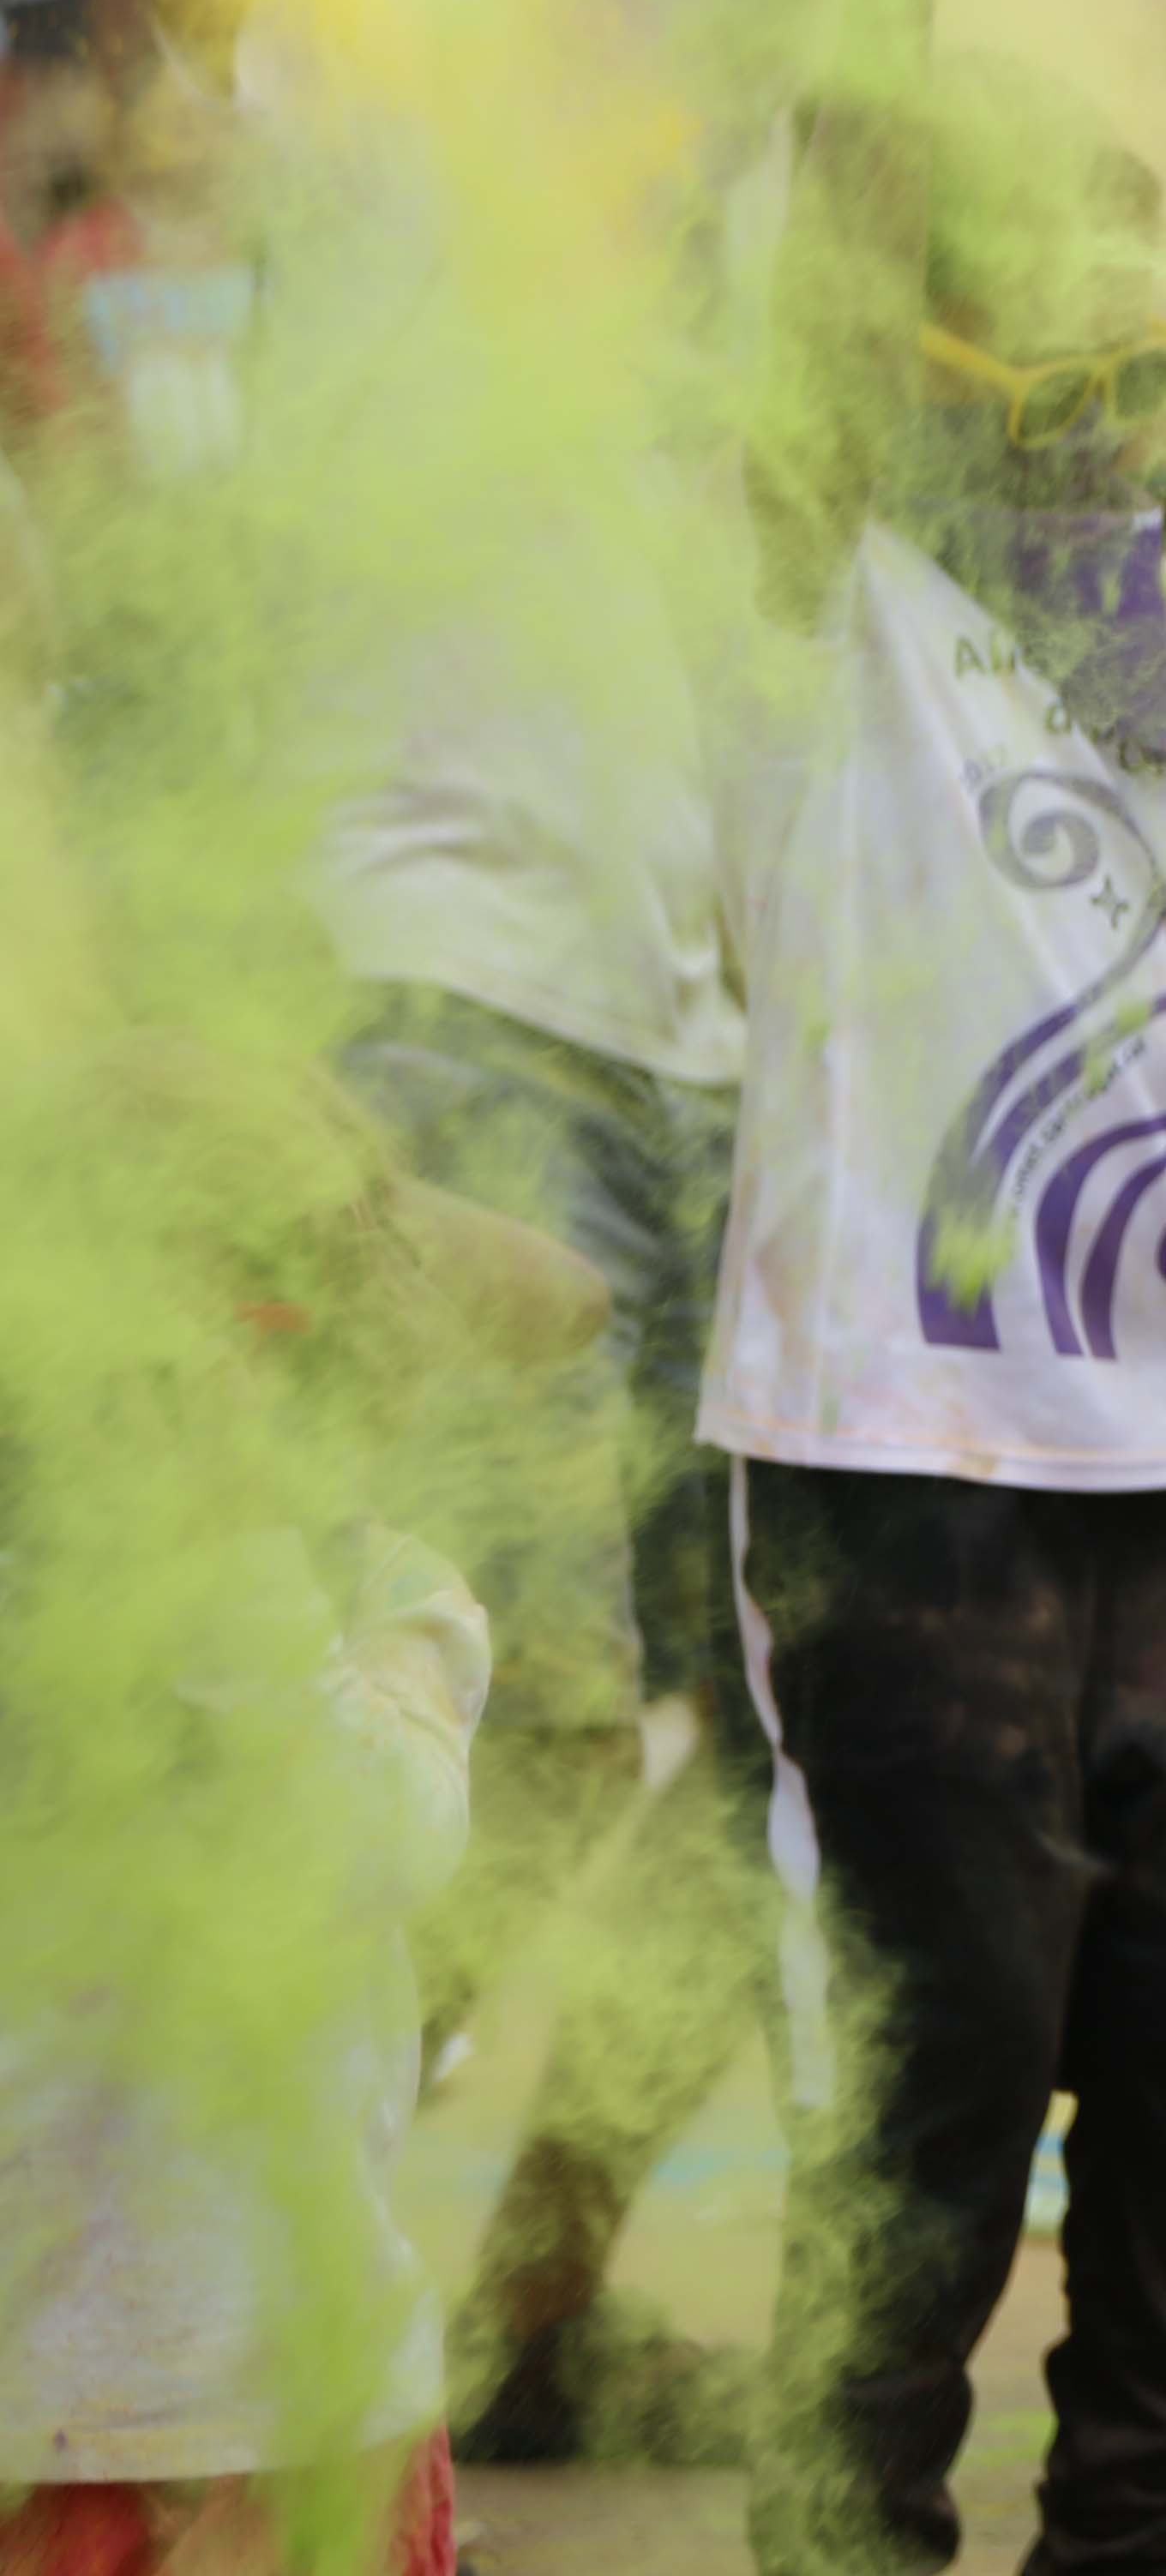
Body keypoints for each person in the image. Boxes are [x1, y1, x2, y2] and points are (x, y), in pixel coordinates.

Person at [2, 0, 779, 2469]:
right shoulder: (434, 19)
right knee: (524, 1709)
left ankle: (490, 2305)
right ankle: (228, 2217)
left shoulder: (871, 85)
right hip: (454, 992)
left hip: (762, 1048)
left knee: (817, 1792)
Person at [708, 61, 1166, 2576]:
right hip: (899, 1464)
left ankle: (1127, 2547)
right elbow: (825, 228)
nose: (1132, 350)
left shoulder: (1159, 613)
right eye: (1074, 295)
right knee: (945, 2070)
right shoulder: (816, 574)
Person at [0, 1060, 605, 2576]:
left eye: (254, 1353)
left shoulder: (382, 1597)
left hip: (281, 2414)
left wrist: (238, 1574)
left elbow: (380, 1845)